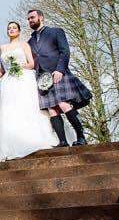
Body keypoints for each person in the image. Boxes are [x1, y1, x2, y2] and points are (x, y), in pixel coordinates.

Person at [0, 21, 59, 160]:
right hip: (8, 82)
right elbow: (2, 69)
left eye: (14, 28)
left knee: (25, 107)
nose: (11, 30)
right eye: (9, 28)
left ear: (19, 31)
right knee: (8, 110)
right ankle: (9, 144)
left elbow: (31, 64)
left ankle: (30, 139)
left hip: (23, 79)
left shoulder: (24, 45)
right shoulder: (2, 48)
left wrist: (19, 67)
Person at [27, 8, 91, 147]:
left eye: (32, 17)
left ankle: (81, 137)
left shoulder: (56, 32)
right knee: (51, 108)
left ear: (41, 17)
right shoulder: (30, 42)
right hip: (42, 79)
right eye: (29, 19)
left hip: (57, 73)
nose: (30, 20)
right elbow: (32, 61)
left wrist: (60, 70)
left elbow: (65, 51)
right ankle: (62, 141)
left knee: (64, 104)